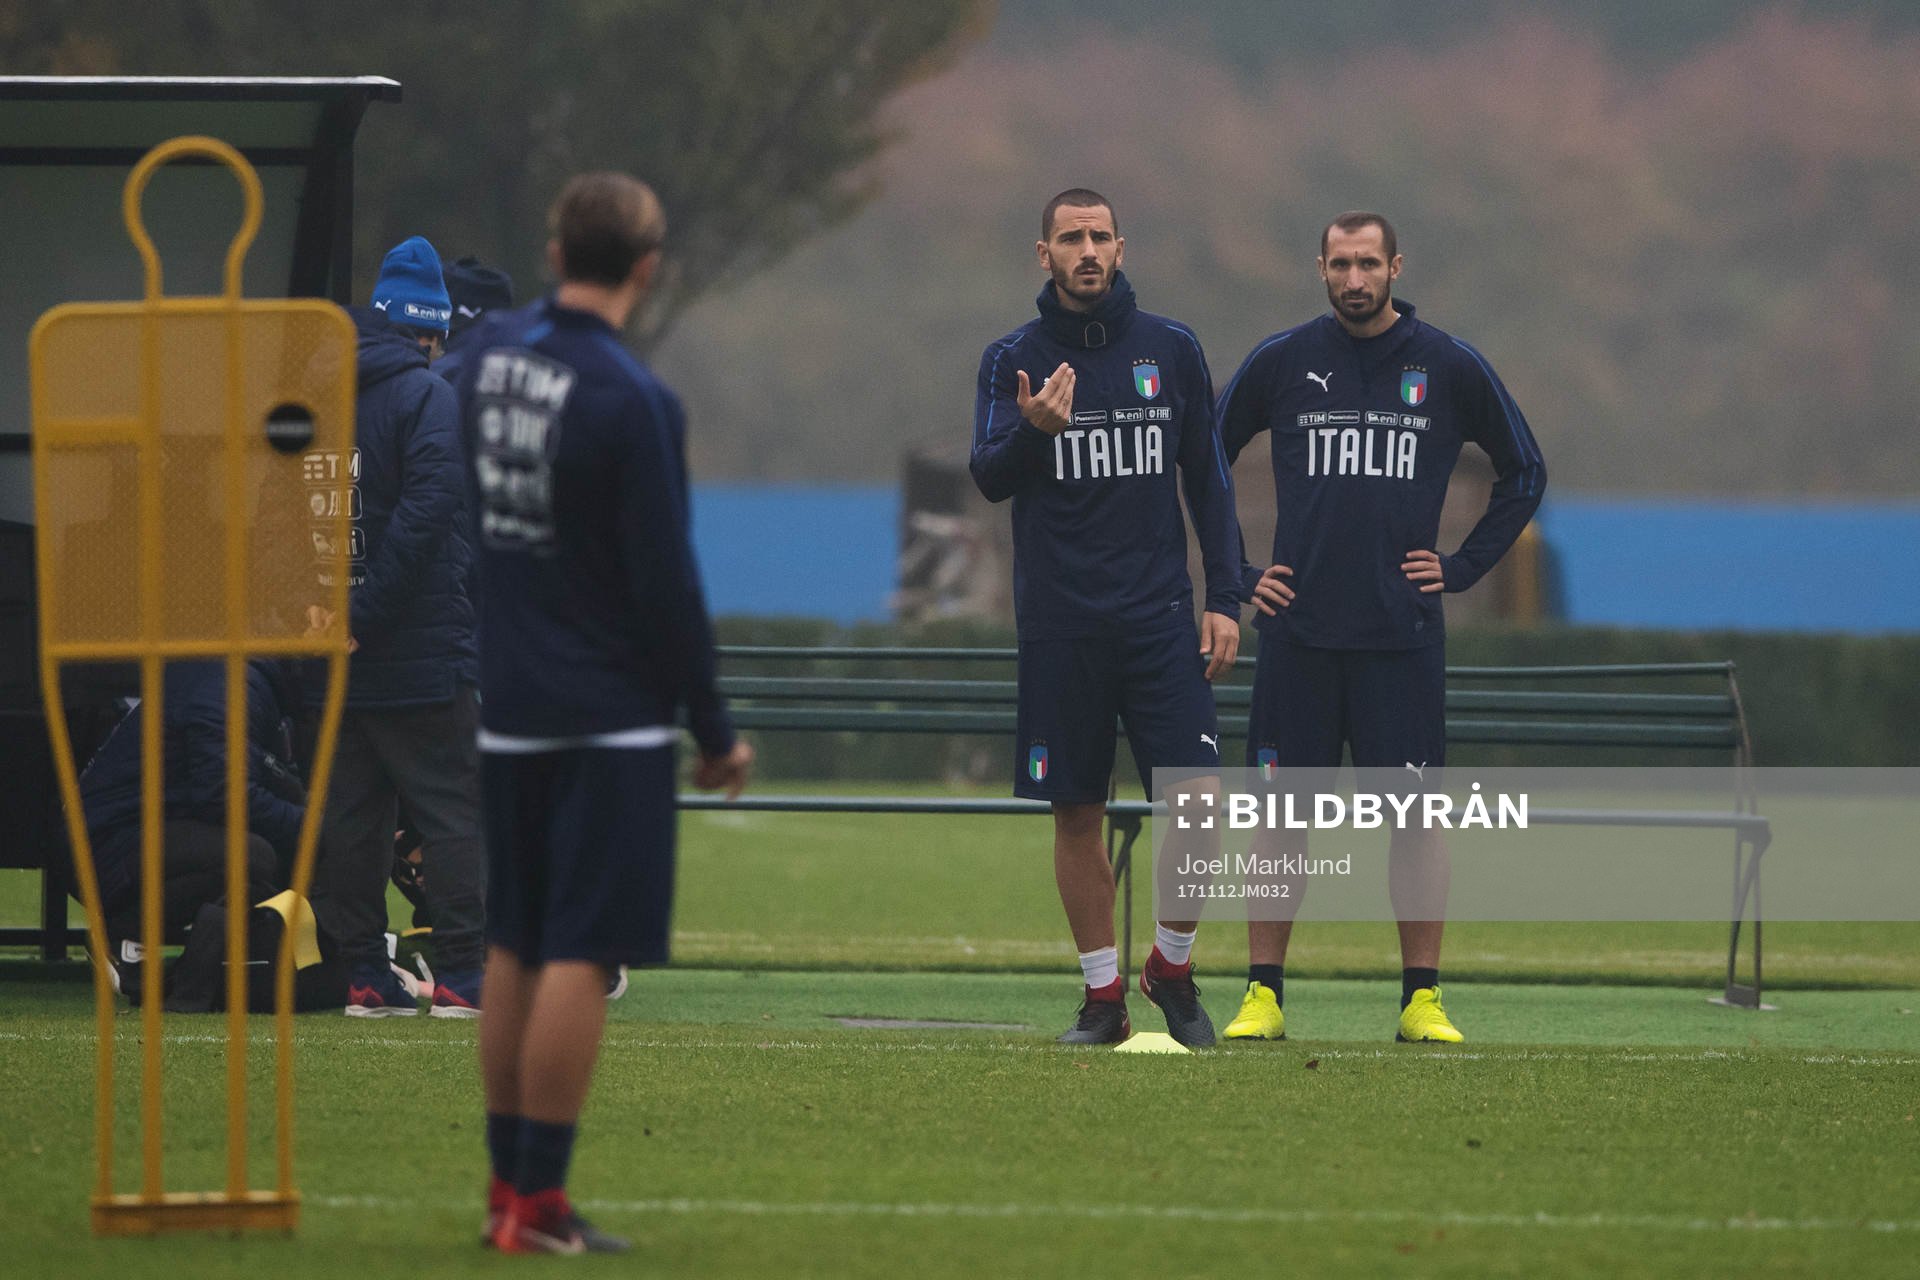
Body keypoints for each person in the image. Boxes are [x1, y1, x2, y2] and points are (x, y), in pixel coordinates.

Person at [452, 172, 752, 1254]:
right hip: (610, 714)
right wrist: (714, 728)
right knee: (585, 948)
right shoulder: (633, 399)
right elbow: (666, 583)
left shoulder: (484, 361)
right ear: (646, 266)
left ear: (550, 244)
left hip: (509, 697)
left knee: (514, 942)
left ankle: (502, 1188)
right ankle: (539, 1201)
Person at [1215, 211, 1547, 1044]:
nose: (1354, 280)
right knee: (1280, 820)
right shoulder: (1282, 361)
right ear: (1319, 268)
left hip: (1401, 635)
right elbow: (1198, 458)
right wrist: (1242, 577)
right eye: (1339, 264)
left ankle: (1421, 1000)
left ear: (1397, 266)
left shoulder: (1447, 364)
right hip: (1299, 633)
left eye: (1368, 264)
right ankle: (1263, 995)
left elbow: (1525, 471)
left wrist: (1464, 566)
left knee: (1416, 819)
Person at [971, 188, 1244, 1048]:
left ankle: (1172, 965)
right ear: (1042, 255)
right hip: (1061, 624)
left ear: (1121, 248)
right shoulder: (1011, 359)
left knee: (1200, 805)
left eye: (1098, 237)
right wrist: (1034, 432)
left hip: (1160, 618)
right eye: (1068, 238)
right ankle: (1102, 1000)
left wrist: (1227, 599)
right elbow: (988, 475)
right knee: (1076, 813)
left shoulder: (1171, 348)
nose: (1086, 250)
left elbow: (1209, 479)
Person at [306, 235, 488, 1018]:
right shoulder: (427, 396)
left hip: (331, 646)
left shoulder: (312, 394)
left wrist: (324, 613)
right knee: (453, 810)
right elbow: (428, 514)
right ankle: (461, 975)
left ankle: (361, 978)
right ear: (433, 330)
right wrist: (366, 614)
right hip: (414, 648)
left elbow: (285, 511)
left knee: (351, 819)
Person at [77, 659, 305, 999]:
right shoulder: (228, 684)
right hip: (109, 840)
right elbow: (225, 795)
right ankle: (123, 932)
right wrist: (320, 827)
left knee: (269, 846)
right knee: (252, 856)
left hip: (130, 829)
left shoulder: (240, 679)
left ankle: (210, 958)